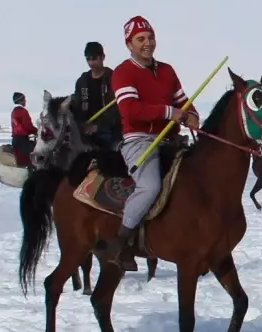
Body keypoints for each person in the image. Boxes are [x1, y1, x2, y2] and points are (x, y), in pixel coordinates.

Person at [106, 16, 199, 267]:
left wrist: (192, 115)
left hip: (170, 139)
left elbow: (183, 102)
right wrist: (171, 113)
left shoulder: (167, 70)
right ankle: (121, 242)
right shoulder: (122, 72)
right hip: (138, 140)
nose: (147, 43)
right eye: (140, 39)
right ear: (129, 44)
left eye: (150, 37)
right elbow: (131, 110)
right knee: (149, 187)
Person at [73, 41, 120, 151]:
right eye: (88, 59)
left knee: (114, 147)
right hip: (86, 131)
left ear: (103, 57)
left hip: (110, 130)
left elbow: (117, 109)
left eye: (94, 58)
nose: (91, 63)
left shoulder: (114, 77)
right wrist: (81, 125)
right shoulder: (82, 81)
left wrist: (99, 127)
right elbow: (77, 107)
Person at [10, 92, 38, 168]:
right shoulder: (23, 111)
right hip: (22, 140)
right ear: (20, 101)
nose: (25, 101)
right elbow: (28, 126)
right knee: (36, 154)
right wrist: (37, 131)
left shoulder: (14, 111)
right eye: (24, 99)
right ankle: (32, 171)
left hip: (15, 140)